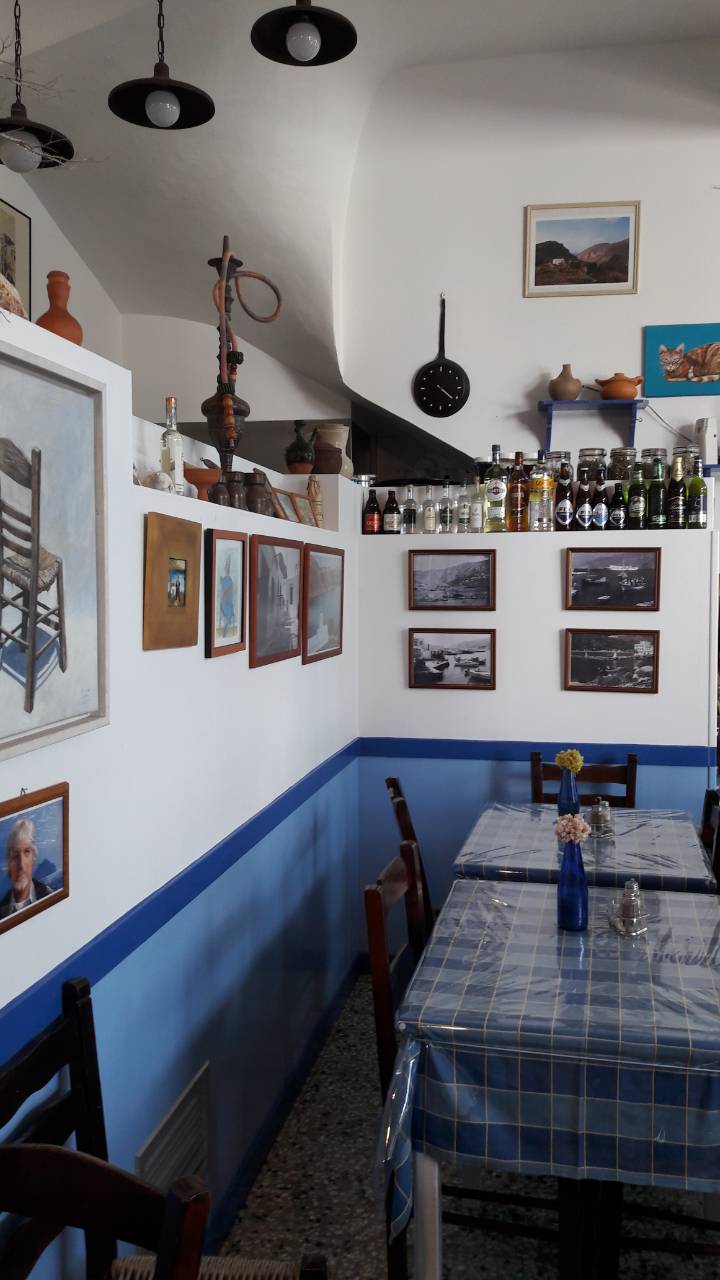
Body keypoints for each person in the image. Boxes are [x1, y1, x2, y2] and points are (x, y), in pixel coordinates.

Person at [0, 818, 53, 919]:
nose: (21, 864)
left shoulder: (48, 895)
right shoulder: (2, 910)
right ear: (8, 863)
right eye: (15, 854)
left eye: (27, 851)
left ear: (34, 858)